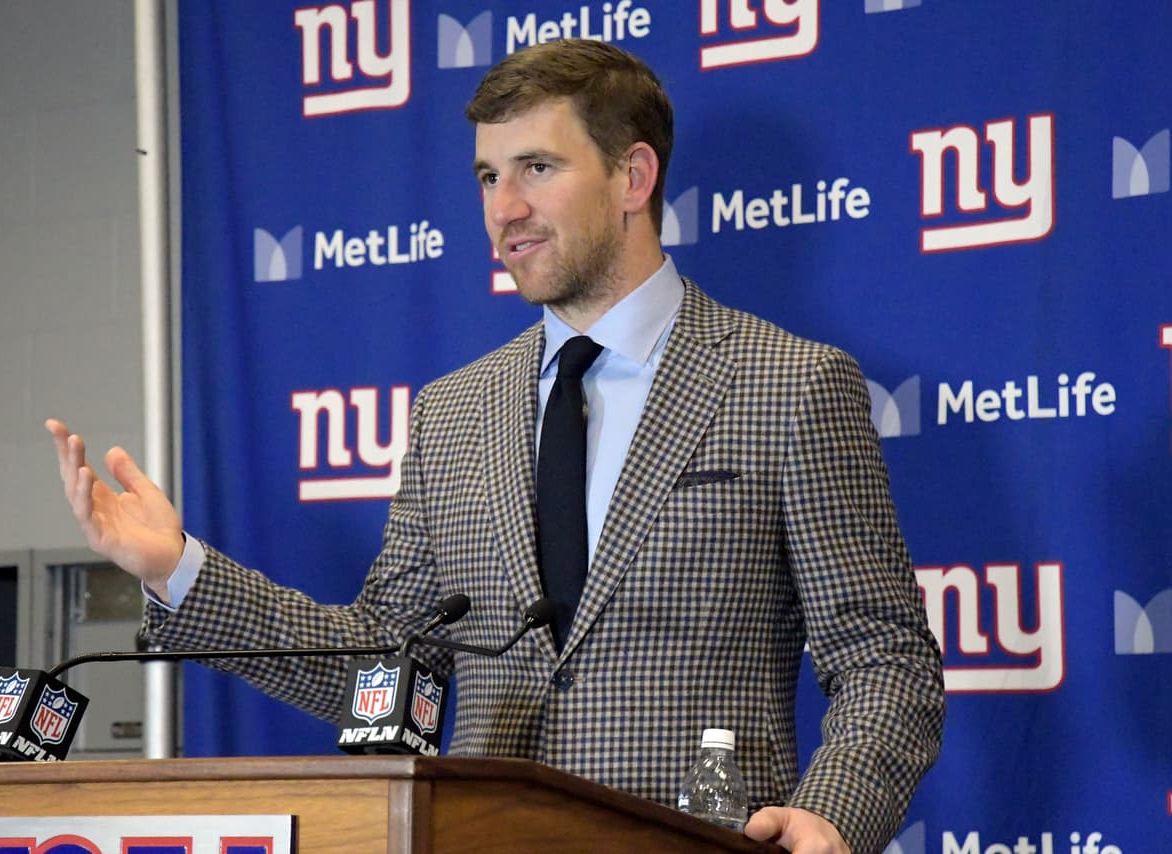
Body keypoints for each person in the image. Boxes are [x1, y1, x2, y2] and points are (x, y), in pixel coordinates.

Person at [48, 39, 944, 854]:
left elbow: (885, 659)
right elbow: (386, 666)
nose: (503, 209)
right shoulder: (453, 413)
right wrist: (178, 569)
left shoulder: (788, 384)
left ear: (633, 177)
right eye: (486, 176)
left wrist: (832, 815)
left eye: (537, 168)